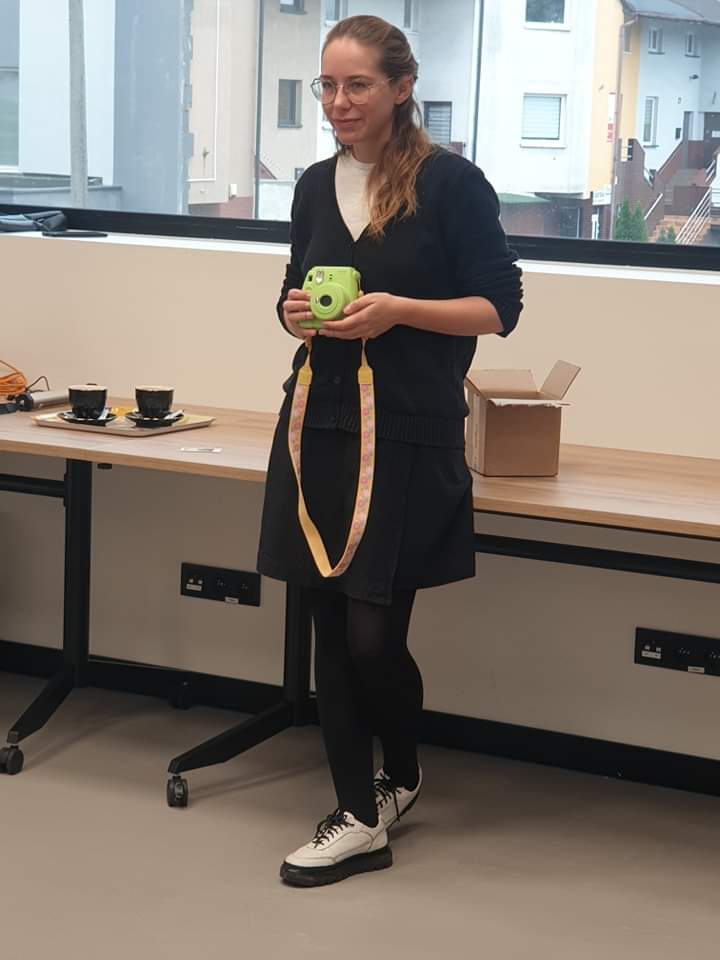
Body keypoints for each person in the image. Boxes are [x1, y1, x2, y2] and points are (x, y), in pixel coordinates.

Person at [257, 14, 523, 888]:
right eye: (328, 86)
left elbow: (499, 307)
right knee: (331, 627)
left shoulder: (451, 184)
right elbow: (293, 292)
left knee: (373, 638)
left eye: (358, 85)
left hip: (405, 433)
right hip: (318, 427)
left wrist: (399, 310)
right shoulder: (312, 184)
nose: (339, 102)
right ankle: (359, 818)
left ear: (402, 88)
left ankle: (399, 773)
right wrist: (295, 313)